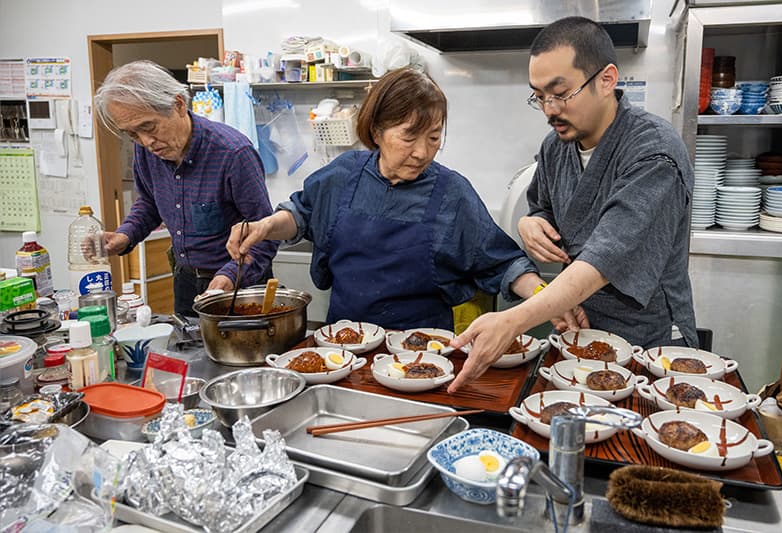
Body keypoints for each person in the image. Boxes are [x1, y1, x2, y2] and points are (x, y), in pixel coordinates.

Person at [448, 17, 698, 392]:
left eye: (560, 93)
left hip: (649, 338)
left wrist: (513, 320)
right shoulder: (556, 147)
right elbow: (544, 207)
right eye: (539, 96)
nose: (549, 109)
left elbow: (604, 258)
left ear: (607, 79)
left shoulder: (654, 154)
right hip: (580, 331)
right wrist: (529, 223)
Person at [227, 67, 543, 330]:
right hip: (345, 347)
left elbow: (504, 263)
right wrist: (264, 227)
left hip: (424, 355)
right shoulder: (342, 175)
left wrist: (547, 299)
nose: (422, 152)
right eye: (408, 136)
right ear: (377, 131)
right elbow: (301, 214)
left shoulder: (452, 193)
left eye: (434, 137)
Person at [94, 60, 277, 316]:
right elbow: (149, 202)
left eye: (149, 127)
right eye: (132, 134)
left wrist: (229, 276)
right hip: (186, 282)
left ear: (178, 105)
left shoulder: (232, 153)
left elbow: (266, 233)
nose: (146, 142)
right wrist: (125, 235)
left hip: (238, 285)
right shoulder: (147, 151)